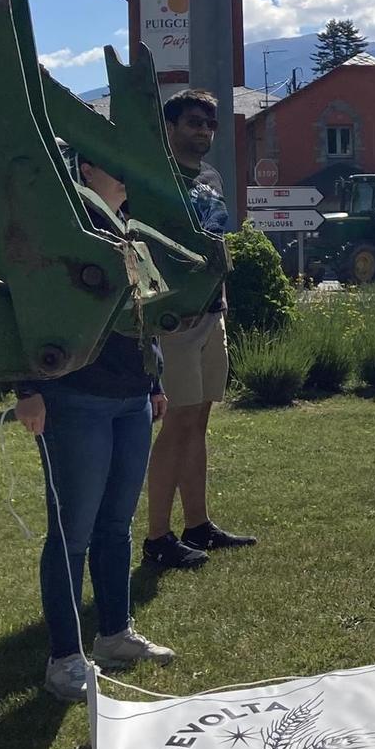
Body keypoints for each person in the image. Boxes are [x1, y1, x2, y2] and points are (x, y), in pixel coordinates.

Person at [17, 156, 174, 703]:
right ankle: (65, 658)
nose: (131, 173)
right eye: (118, 164)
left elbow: (143, 311)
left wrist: (154, 381)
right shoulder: (66, 223)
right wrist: (26, 388)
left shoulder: (128, 227)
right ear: (88, 168)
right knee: (72, 534)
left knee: (115, 525)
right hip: (75, 399)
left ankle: (113, 634)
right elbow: (23, 304)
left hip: (130, 397)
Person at [143, 90, 256, 566]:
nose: (203, 132)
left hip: (213, 314)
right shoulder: (152, 180)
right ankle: (157, 539)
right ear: (169, 127)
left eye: (209, 124)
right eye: (193, 123)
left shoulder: (209, 177)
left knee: (200, 419)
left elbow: (217, 243)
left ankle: (198, 524)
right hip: (175, 322)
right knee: (176, 423)